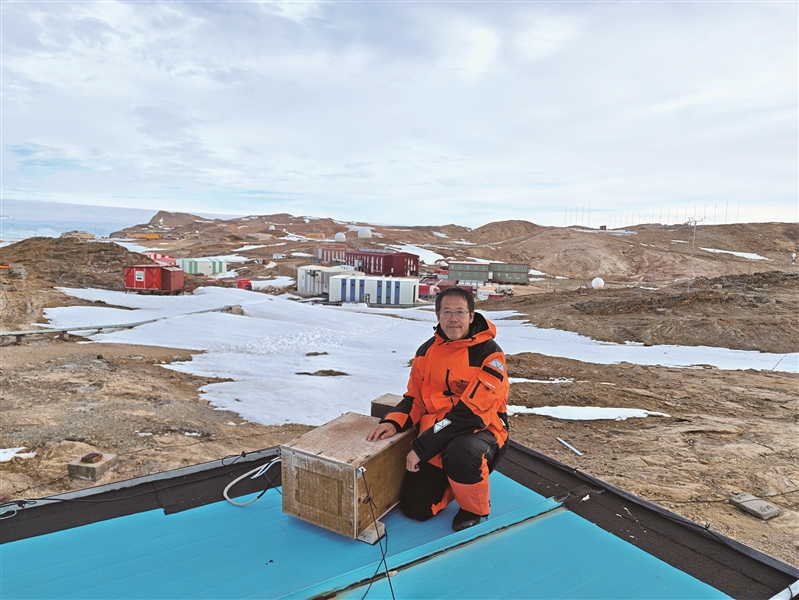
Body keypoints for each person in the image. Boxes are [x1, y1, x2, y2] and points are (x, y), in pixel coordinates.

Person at [366, 286, 510, 531]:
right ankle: (453, 481)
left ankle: (474, 508)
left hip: (481, 431)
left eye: (460, 312)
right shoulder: (426, 352)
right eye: (447, 312)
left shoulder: (490, 355)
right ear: (437, 316)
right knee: (416, 509)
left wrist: (422, 447)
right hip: (438, 432)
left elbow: (470, 414)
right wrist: (393, 422)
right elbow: (415, 398)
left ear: (471, 316)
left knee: (461, 451)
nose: (453, 319)